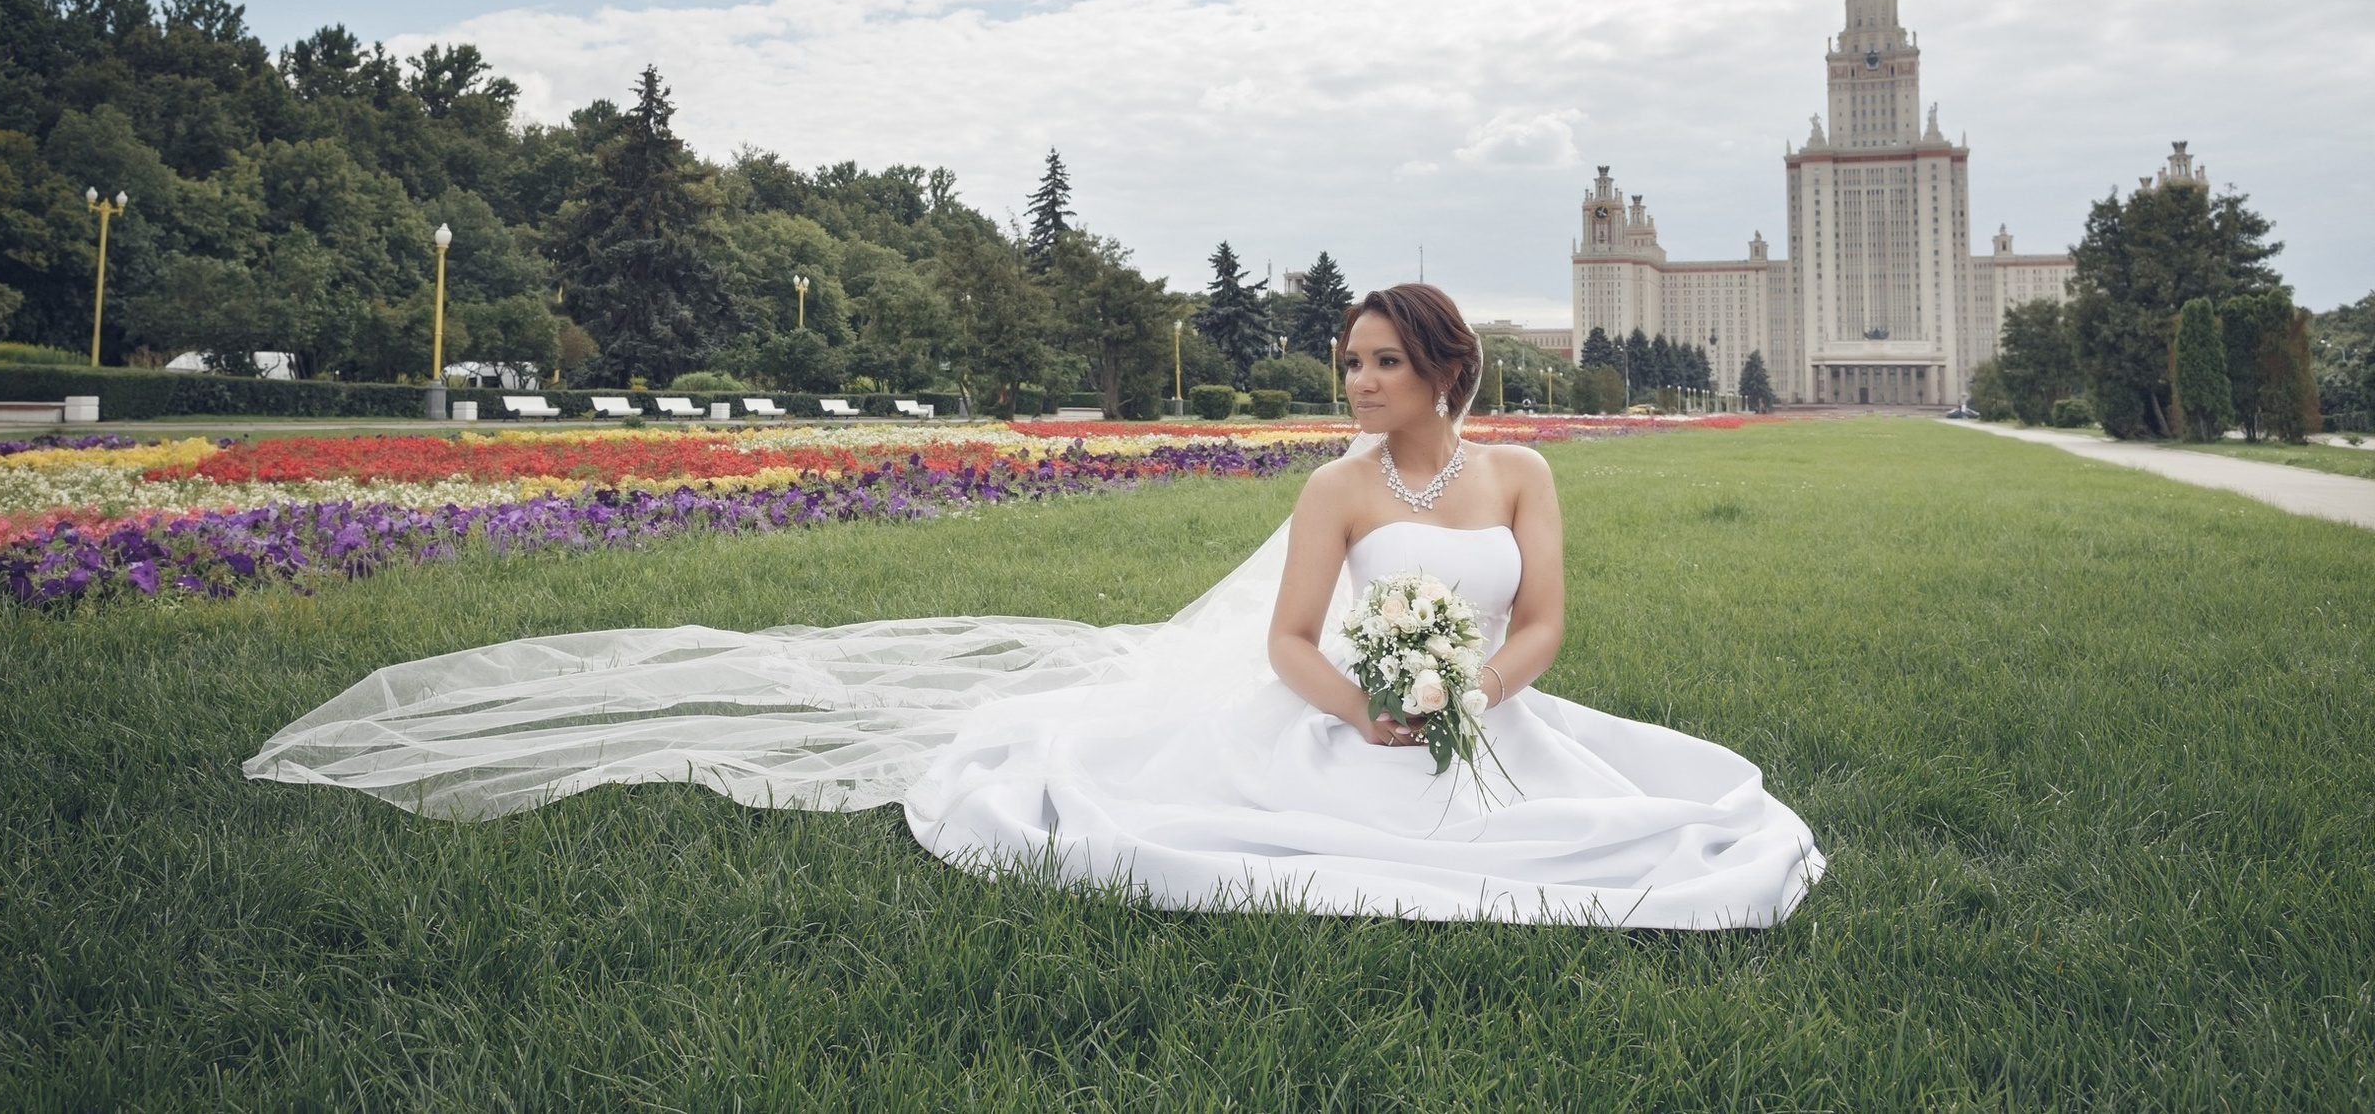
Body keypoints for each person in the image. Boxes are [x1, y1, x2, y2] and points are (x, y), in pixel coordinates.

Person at [248, 284, 1823, 928]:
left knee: (1667, 834)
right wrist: (1370, 703)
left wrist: (1472, 693)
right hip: (1352, 717)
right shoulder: (1335, 492)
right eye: (1348, 362)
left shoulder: (1524, 473)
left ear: (1449, 371)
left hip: (1483, 718)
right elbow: (1285, 641)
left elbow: (1543, 622)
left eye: (1381, 363)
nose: (1356, 383)